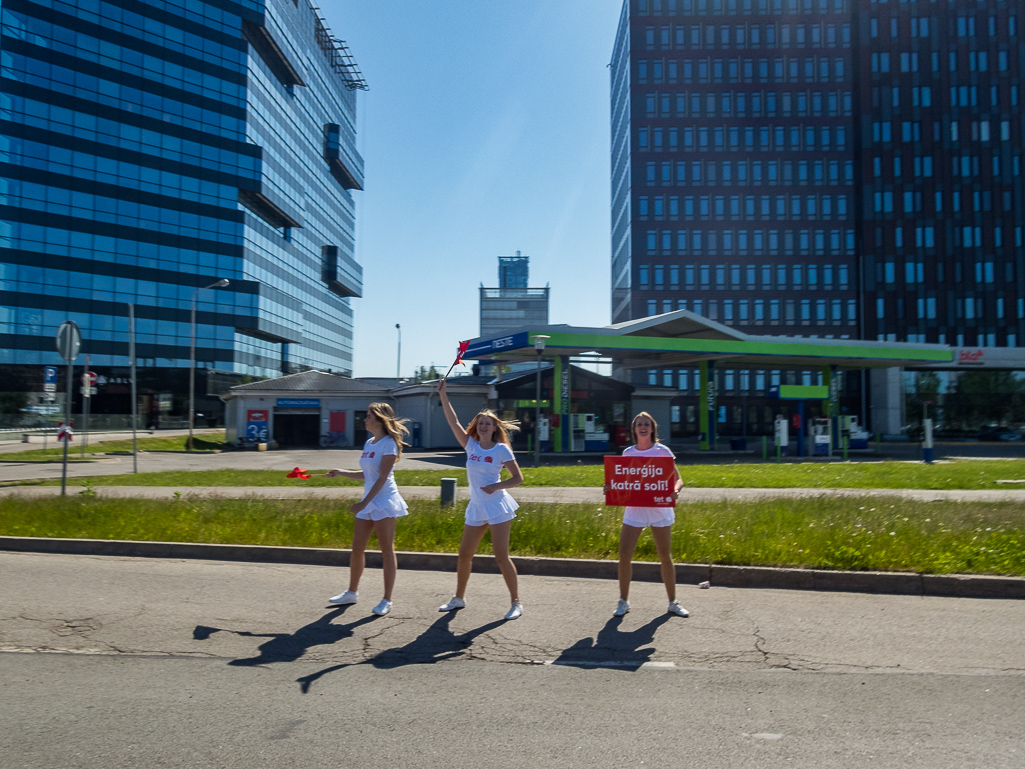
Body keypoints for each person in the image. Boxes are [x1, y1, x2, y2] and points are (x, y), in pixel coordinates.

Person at [436, 379, 525, 620]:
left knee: (500, 556)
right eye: (481, 423)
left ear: (495, 428)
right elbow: (453, 421)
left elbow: (518, 478)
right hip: (476, 507)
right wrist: (444, 395)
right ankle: (459, 598)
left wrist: (496, 486)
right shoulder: (471, 445)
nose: (484, 426)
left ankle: (516, 603)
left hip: (497, 506)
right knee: (464, 555)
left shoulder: (501, 450)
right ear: (476, 427)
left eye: (488, 423)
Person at [322, 402, 410, 617]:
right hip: (369, 500)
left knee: (386, 550)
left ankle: (387, 599)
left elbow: (381, 477)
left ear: (380, 419)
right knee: (357, 548)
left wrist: (364, 503)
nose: (365, 419)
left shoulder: (388, 444)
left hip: (384, 501)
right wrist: (341, 472)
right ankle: (352, 592)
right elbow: (367, 474)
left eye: (369, 416)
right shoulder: (370, 442)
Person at [607, 412, 688, 618]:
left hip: (660, 509)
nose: (643, 427)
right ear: (634, 430)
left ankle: (673, 602)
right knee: (624, 555)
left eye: (646, 424)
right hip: (635, 510)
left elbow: (678, 479)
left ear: (652, 429)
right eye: (639, 424)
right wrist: (611, 487)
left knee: (664, 556)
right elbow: (622, 482)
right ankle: (623, 601)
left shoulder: (663, 451)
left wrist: (676, 490)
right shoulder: (627, 453)